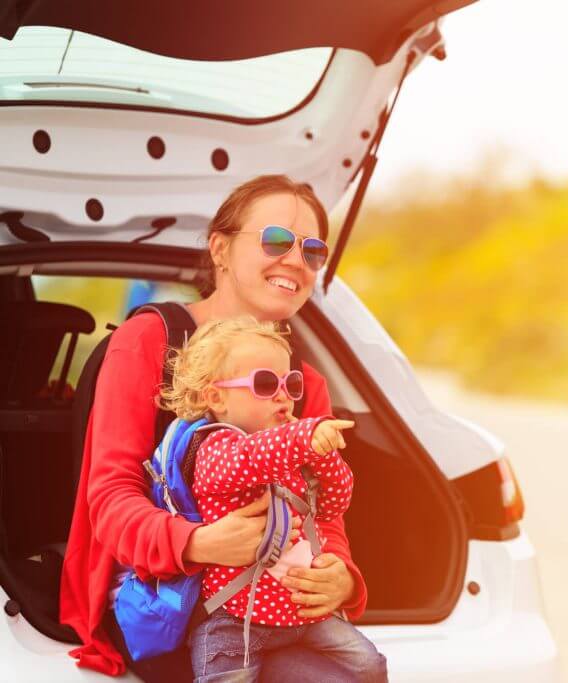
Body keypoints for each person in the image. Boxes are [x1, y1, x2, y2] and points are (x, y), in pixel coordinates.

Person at [60, 176, 371, 680]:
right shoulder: (149, 341)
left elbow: (320, 512)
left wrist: (340, 575)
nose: (296, 259)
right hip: (163, 602)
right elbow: (110, 499)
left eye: (313, 250)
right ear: (220, 249)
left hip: (270, 603)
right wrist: (196, 543)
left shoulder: (304, 381)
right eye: (276, 240)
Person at [153, 316, 385, 681]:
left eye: (291, 384)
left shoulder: (286, 450)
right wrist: (305, 434)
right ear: (217, 398)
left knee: (370, 665)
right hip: (232, 622)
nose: (283, 394)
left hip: (298, 613)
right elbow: (250, 458)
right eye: (264, 383)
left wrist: (322, 455)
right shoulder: (216, 448)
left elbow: (335, 502)